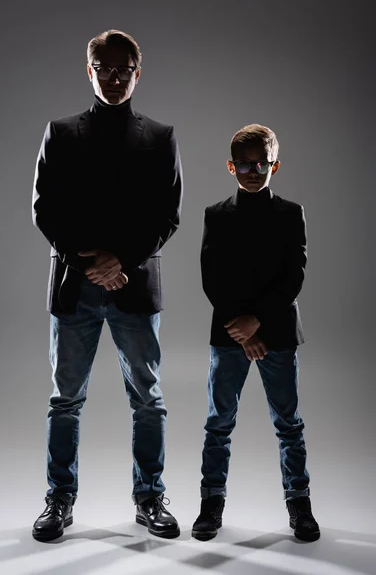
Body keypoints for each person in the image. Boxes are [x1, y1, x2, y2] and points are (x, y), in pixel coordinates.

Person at [31, 29, 183, 541]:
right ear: (89, 70)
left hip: (135, 288)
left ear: (137, 74)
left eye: (124, 70)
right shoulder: (60, 132)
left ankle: (150, 498)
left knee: (148, 398)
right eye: (105, 68)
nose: (114, 78)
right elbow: (43, 208)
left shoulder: (160, 137)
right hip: (74, 287)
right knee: (65, 400)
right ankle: (59, 500)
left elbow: (168, 214)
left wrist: (122, 260)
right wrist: (89, 262)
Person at [192, 124, 320, 542]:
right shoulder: (216, 214)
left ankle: (299, 504)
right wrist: (242, 329)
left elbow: (293, 276)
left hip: (278, 333)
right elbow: (211, 277)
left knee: (288, 423)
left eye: (260, 163)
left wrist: (257, 322)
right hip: (229, 333)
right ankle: (211, 505)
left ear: (274, 164)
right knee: (218, 423)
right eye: (244, 164)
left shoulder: (290, 213)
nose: (252, 170)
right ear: (231, 167)